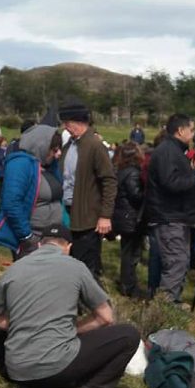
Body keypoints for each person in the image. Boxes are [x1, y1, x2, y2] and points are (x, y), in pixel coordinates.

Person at [0, 227, 140, 388]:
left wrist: (17, 326)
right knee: (128, 335)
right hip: (57, 366)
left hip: (16, 367)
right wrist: (74, 329)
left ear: (40, 245)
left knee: (10, 325)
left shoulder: (15, 268)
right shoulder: (76, 267)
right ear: (69, 247)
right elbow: (105, 317)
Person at [145, 114, 195, 306]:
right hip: (170, 216)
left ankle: (166, 301)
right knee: (176, 262)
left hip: (175, 215)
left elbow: (178, 180)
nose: (193, 135)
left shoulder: (174, 151)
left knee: (174, 261)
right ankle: (166, 306)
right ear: (181, 130)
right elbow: (170, 182)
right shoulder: (168, 151)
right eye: (191, 131)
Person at [0, 124, 62, 258]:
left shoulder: (50, 166)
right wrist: (27, 236)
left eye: (59, 149)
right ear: (41, 146)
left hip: (51, 236)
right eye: (54, 150)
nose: (58, 154)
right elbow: (12, 203)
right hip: (33, 238)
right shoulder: (20, 164)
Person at [59, 102, 117, 278]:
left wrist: (105, 215)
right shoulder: (70, 145)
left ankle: (89, 300)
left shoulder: (95, 145)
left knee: (86, 265)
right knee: (72, 258)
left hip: (88, 215)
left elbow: (109, 181)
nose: (66, 128)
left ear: (79, 121)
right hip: (68, 209)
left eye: (68, 123)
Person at [112, 141, 145, 298]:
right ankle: (128, 284)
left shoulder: (122, 170)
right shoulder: (133, 173)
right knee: (131, 253)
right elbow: (136, 195)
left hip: (123, 215)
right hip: (130, 217)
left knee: (127, 251)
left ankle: (127, 281)